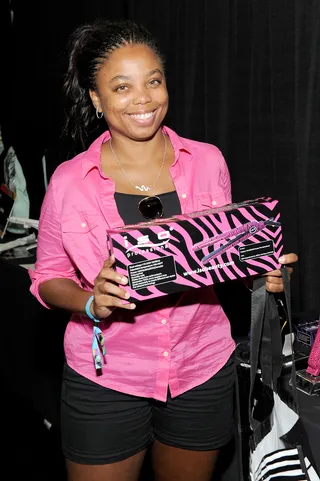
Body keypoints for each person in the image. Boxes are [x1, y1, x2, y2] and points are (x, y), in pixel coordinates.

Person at [29, 18, 298, 481]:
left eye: (154, 81)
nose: (144, 99)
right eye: (122, 87)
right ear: (97, 99)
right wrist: (92, 299)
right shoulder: (71, 181)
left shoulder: (208, 161)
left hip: (201, 367)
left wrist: (262, 270)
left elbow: (219, 258)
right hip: (106, 375)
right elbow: (47, 277)